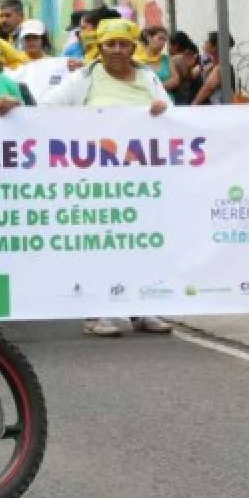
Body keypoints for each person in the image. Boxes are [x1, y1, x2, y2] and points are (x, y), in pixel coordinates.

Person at [40, 18, 174, 337]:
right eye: (109, 44)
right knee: (100, 242)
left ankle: (142, 308)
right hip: (96, 181)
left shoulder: (147, 77)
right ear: (99, 47)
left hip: (141, 180)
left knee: (141, 242)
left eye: (123, 44)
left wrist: (159, 111)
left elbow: (171, 115)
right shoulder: (83, 78)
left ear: (132, 47)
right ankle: (95, 310)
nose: (116, 50)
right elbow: (45, 109)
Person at [9, 19, 72, 101]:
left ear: (43, 40)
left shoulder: (60, 64)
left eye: (35, 37)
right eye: (27, 38)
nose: (31, 42)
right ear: (22, 41)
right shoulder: (16, 69)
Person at [192, 31, 235, 105]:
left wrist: (194, 104)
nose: (205, 42)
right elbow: (191, 75)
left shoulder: (221, 67)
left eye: (208, 41)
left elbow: (208, 88)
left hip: (217, 108)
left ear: (214, 47)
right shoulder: (212, 64)